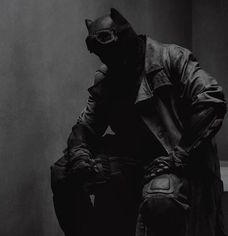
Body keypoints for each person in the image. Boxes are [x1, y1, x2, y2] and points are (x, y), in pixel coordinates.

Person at [51, 8, 227, 236]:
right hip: (131, 158)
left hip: (175, 155)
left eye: (108, 49)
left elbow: (211, 100)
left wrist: (179, 155)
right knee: (63, 173)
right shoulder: (107, 77)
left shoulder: (171, 57)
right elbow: (85, 126)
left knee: (161, 197)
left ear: (125, 37)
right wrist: (79, 154)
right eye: (99, 53)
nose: (104, 59)